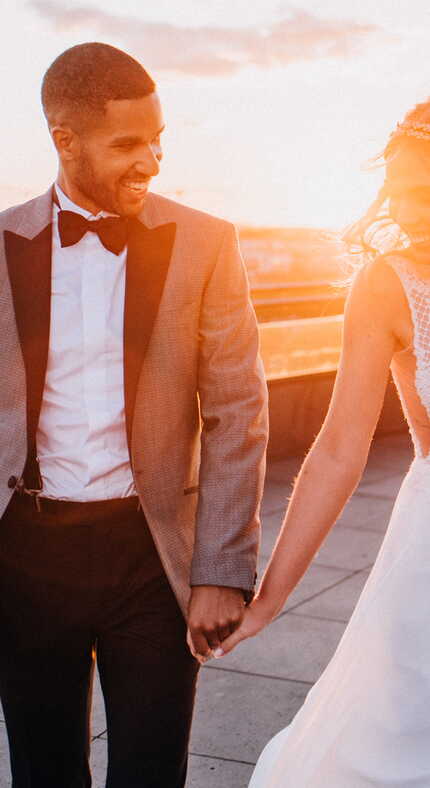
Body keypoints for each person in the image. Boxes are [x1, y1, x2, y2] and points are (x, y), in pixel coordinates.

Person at [0, 41, 268, 788]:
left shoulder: (207, 243)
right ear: (64, 140)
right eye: (127, 144)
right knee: (42, 772)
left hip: (150, 558)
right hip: (23, 555)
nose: (150, 160)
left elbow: (239, 409)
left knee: (152, 771)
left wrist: (221, 569)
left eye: (157, 140)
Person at [217, 100, 430, 785]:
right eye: (396, 188)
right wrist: (272, 598)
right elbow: (339, 447)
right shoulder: (389, 285)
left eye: (422, 188)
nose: (405, 206)